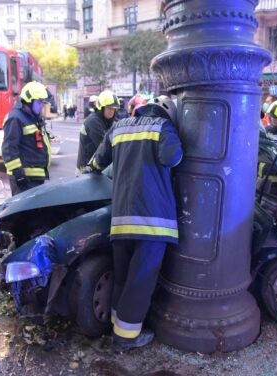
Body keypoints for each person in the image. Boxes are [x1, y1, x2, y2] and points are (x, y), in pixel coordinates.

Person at [89, 95, 182, 353]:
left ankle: (117, 327)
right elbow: (172, 158)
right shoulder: (164, 127)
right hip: (153, 222)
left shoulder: (118, 128)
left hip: (120, 221)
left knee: (123, 277)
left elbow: (96, 163)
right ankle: (127, 338)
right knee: (140, 282)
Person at [2, 81, 52, 195]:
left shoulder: (33, 117)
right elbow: (9, 149)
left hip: (35, 178)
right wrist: (18, 175)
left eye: (42, 103)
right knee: (23, 212)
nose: (41, 106)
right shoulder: (15, 118)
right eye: (39, 103)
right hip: (24, 179)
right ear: (28, 101)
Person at [75, 89, 120, 174]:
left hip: (97, 168)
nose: (112, 111)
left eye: (114, 109)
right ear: (101, 107)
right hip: (85, 170)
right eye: (109, 108)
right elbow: (105, 147)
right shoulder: (93, 121)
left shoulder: (110, 122)